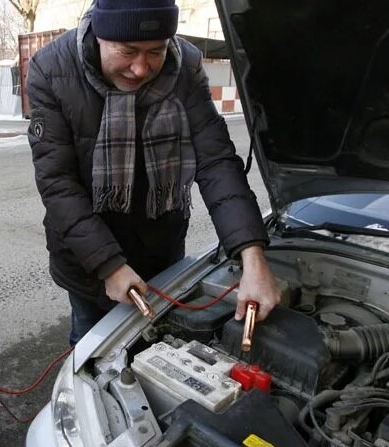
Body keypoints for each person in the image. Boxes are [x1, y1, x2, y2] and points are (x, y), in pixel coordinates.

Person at [26, 0, 281, 345]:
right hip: (88, 262)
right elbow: (58, 183)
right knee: (91, 348)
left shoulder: (186, 64)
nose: (141, 68)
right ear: (100, 35)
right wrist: (109, 266)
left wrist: (251, 256)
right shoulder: (51, 68)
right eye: (128, 51)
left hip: (162, 249)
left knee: (160, 347)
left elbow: (215, 160)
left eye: (155, 52)